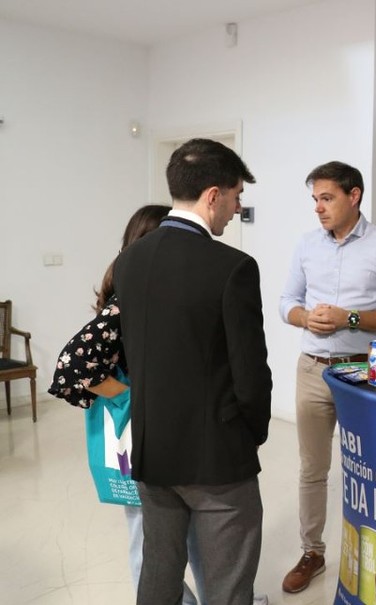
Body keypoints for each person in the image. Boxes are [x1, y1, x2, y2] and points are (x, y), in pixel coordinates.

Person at [113, 138, 272, 605]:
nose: (237, 209)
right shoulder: (233, 267)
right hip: (217, 460)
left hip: (153, 452)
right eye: (236, 196)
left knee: (158, 577)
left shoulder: (129, 261)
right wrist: (252, 434)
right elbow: (250, 373)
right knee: (227, 586)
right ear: (213, 195)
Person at [48, 205, 209, 603]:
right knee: (147, 539)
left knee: (174, 534)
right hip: (143, 437)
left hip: (167, 434)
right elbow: (73, 368)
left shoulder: (146, 290)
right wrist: (129, 397)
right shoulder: (129, 299)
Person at [279, 160, 376, 593]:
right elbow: (286, 302)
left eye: (327, 198)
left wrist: (350, 317)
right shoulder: (307, 245)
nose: (318, 208)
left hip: (363, 373)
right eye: (315, 199)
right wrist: (306, 318)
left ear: (353, 195)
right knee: (312, 468)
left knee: (371, 470)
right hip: (312, 369)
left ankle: (374, 554)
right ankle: (313, 552)